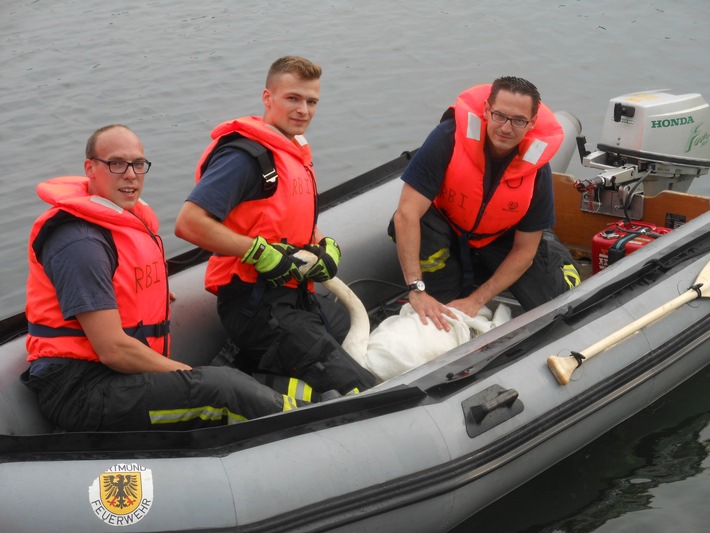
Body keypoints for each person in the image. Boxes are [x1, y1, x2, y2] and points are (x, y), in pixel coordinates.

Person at [22, 124, 307, 432]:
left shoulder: (116, 220)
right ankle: (313, 431)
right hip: (82, 391)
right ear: (90, 168)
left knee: (237, 378)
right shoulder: (80, 243)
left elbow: (120, 289)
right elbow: (113, 349)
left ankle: (317, 405)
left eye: (138, 164)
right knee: (221, 388)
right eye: (116, 163)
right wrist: (184, 373)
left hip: (114, 376)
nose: (131, 174)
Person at [174, 56, 375, 395]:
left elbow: (287, 221)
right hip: (255, 304)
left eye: (312, 101)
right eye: (293, 98)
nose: (304, 110)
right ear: (268, 98)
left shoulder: (294, 150)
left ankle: (257, 370)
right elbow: (189, 223)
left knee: (364, 342)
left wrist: (325, 246)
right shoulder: (243, 158)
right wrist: (258, 252)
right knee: (358, 386)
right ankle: (251, 385)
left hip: (297, 296)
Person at [390, 76, 581, 331]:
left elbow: (525, 250)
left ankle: (552, 259)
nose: (506, 127)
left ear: (531, 123)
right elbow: (407, 214)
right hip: (451, 231)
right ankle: (446, 287)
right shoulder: (448, 138)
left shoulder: (538, 169)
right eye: (499, 116)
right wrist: (416, 289)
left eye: (518, 120)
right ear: (486, 111)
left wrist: (476, 300)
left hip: (503, 238)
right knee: (412, 227)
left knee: (554, 304)